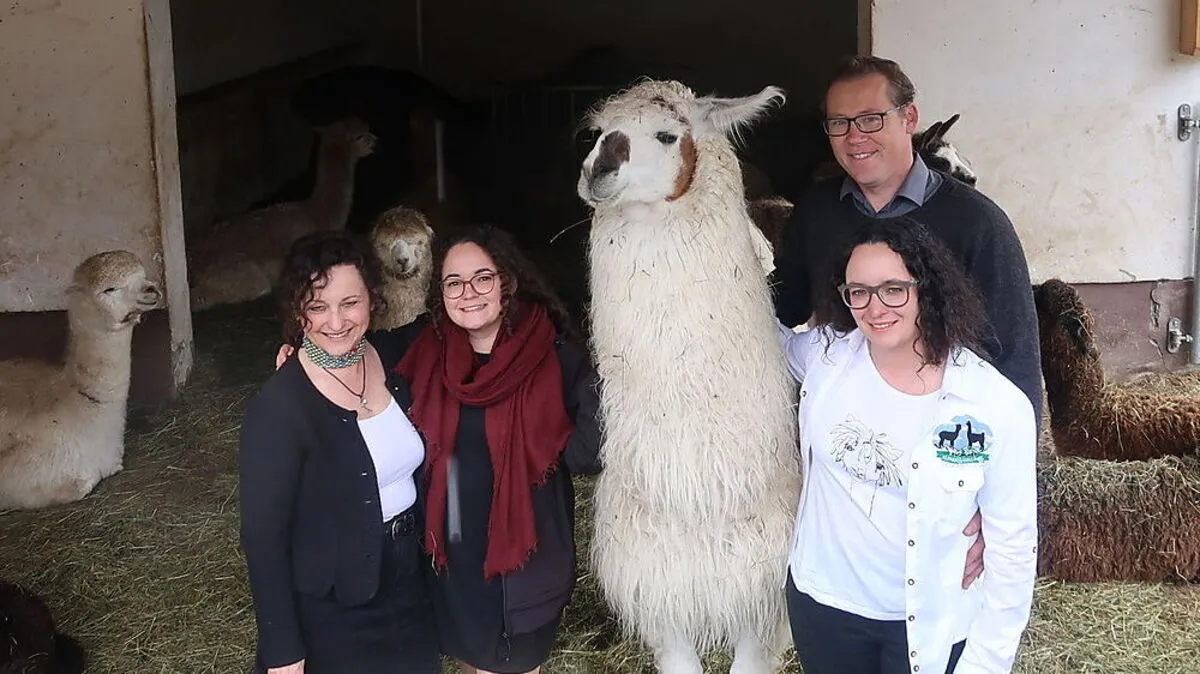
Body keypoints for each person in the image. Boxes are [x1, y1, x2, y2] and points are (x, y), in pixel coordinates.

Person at [779, 217, 1038, 674]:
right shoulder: (826, 356)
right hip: (823, 604)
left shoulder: (994, 405)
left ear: (927, 289)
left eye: (893, 289)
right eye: (858, 291)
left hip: (928, 619)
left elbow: (1013, 550)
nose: (875, 307)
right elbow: (756, 338)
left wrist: (987, 662)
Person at [773, 55, 1043, 420]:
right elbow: (784, 302)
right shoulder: (817, 211)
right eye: (839, 123)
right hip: (844, 422)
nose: (854, 137)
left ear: (909, 119)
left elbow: (1015, 355)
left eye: (871, 118)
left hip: (941, 427)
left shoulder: (977, 222)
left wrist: (1011, 445)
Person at [239, 231, 441, 673]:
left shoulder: (392, 358)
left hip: (411, 583)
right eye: (317, 306)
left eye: (350, 303)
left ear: (373, 299)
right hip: (335, 607)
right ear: (298, 310)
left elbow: (456, 320)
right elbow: (263, 536)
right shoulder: (280, 406)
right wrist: (283, 650)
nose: (335, 321)